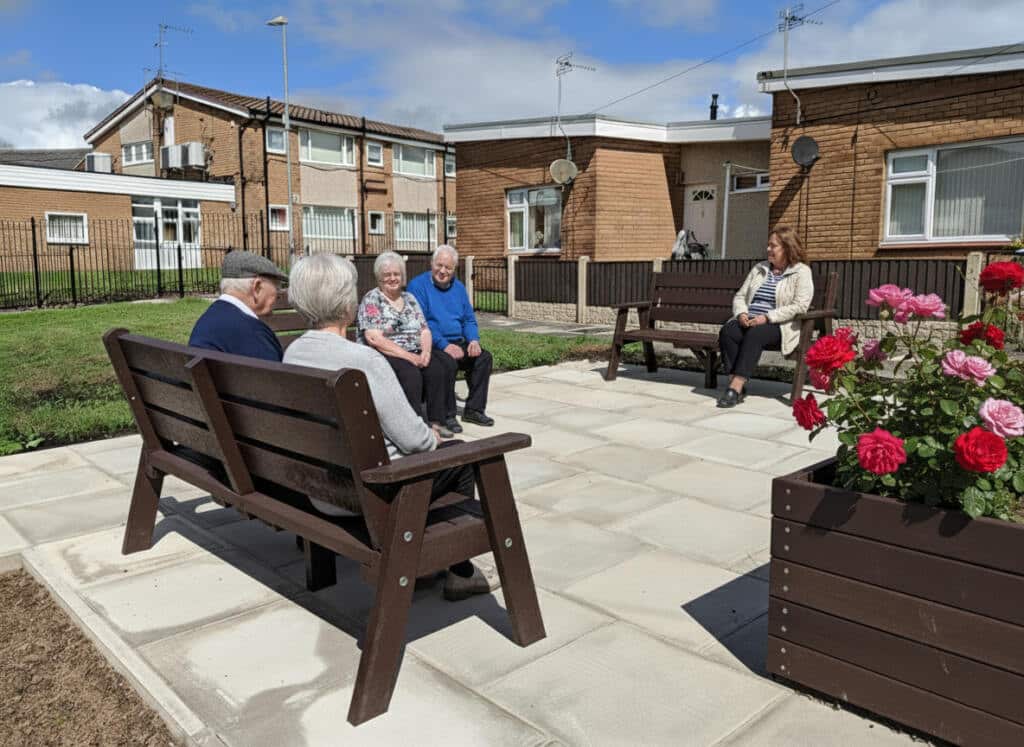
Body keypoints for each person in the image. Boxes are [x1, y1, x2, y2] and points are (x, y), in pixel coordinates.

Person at [283, 253, 491, 601]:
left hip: (320, 490)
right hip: (372, 496)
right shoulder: (365, 361)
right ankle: (456, 571)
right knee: (461, 459)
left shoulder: (293, 354)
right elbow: (416, 442)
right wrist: (431, 435)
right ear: (348, 304)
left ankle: (429, 559)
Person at [356, 252, 452, 436]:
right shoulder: (372, 299)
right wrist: (409, 356)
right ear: (379, 278)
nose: (393, 278)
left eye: (396, 274)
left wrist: (426, 352)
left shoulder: (409, 298)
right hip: (384, 353)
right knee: (410, 374)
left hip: (413, 350)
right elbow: (374, 338)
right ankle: (414, 428)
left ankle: (436, 422)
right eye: (387, 275)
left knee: (437, 368)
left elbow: (424, 330)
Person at [717, 226, 813, 408]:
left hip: (779, 324)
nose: (768, 249)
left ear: (787, 247)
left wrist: (767, 317)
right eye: (768, 245)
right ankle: (734, 381)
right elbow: (740, 296)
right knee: (728, 332)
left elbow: (800, 305)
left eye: (773, 246)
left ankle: (735, 387)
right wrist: (742, 313)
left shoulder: (801, 272)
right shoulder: (760, 268)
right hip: (750, 319)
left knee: (756, 334)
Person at [407, 244, 495, 430]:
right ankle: (447, 415)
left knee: (484, 358)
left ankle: (474, 410)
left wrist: (473, 339)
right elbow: (423, 323)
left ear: (454, 269)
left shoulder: (459, 288)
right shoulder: (418, 286)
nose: (442, 271)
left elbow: (468, 319)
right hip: (432, 343)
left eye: (448, 267)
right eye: (439, 265)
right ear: (431, 264)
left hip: (458, 341)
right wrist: (444, 345)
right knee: (448, 362)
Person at [189, 250, 287, 362]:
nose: (278, 296)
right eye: (277, 288)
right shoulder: (254, 334)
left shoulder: (207, 320)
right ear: (257, 287)